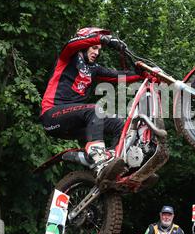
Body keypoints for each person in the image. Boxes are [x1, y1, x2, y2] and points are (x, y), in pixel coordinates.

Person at [40, 27, 142, 179]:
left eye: (99, 50)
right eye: (94, 48)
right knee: (95, 110)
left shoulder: (94, 69)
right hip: (52, 114)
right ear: (85, 43)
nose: (97, 52)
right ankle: (98, 155)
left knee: (119, 124)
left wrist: (144, 72)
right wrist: (102, 39)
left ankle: (113, 162)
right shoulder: (67, 56)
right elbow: (71, 45)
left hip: (75, 122)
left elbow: (120, 76)